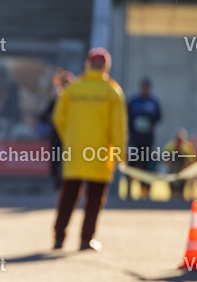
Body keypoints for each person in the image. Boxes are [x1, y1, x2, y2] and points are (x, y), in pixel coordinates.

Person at [52, 48, 126, 251]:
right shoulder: (112, 92)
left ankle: (59, 236)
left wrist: (70, 138)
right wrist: (120, 153)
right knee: (94, 199)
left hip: (75, 152)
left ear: (87, 65)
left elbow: (58, 118)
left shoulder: (73, 89)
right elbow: (117, 127)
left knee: (68, 196)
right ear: (106, 67)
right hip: (100, 155)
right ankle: (86, 240)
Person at [126, 78, 162, 197]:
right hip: (135, 140)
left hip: (147, 141)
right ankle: (129, 190)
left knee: (146, 166)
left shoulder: (153, 102)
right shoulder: (134, 101)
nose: (145, 89)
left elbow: (158, 117)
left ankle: (144, 192)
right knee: (132, 164)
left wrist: (148, 123)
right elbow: (127, 117)